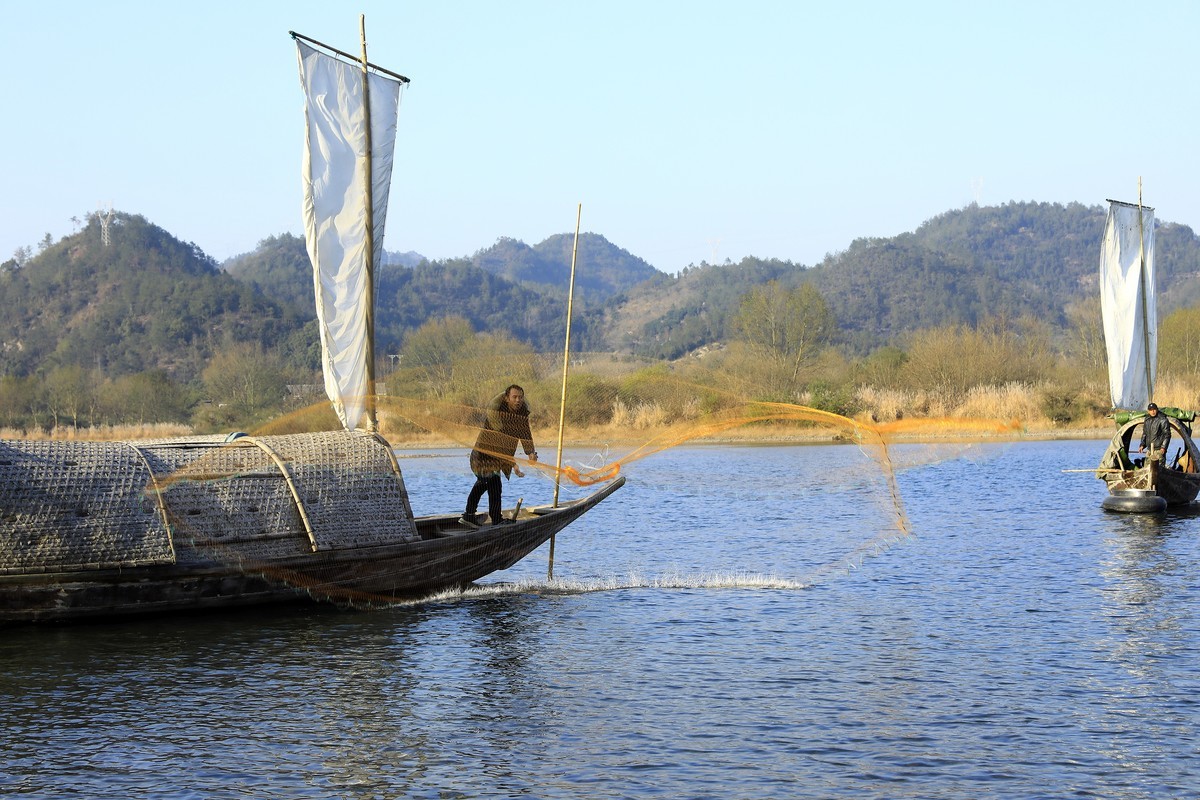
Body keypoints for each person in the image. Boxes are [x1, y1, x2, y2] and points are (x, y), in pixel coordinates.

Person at [460, 385, 538, 528]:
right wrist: (512, 463)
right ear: (507, 398)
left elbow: (525, 434)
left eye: (520, 397)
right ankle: (470, 516)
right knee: (485, 482)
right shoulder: (496, 414)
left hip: (496, 459)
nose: (518, 400)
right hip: (482, 456)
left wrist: (531, 452)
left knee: (494, 486)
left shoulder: (521, 415)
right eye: (514, 397)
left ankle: (491, 519)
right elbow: (497, 441)